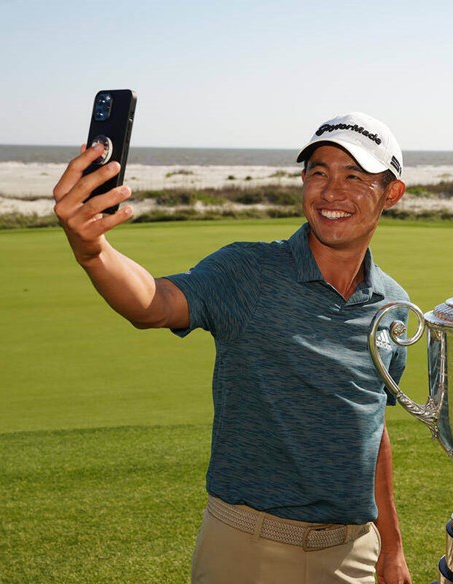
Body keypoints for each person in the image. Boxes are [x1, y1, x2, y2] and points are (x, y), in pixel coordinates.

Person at [53, 112, 412, 584]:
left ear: (392, 193)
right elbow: (155, 304)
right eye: (319, 172)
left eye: (355, 176)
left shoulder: (394, 308)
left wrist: (391, 547)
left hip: (353, 555)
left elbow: (371, 426)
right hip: (247, 549)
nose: (331, 192)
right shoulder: (247, 271)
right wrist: (93, 251)